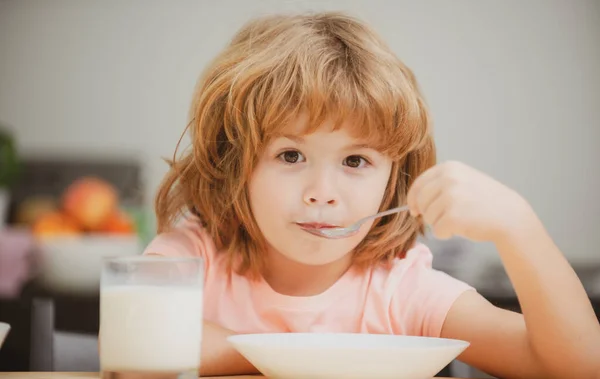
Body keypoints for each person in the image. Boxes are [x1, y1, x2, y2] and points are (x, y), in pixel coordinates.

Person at [144, 11, 600, 379]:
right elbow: (139, 344)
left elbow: (577, 366)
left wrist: (517, 226)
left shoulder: (402, 291)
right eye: (289, 155)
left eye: (355, 161)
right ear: (232, 161)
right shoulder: (196, 252)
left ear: (393, 179)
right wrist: (305, 356)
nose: (322, 194)